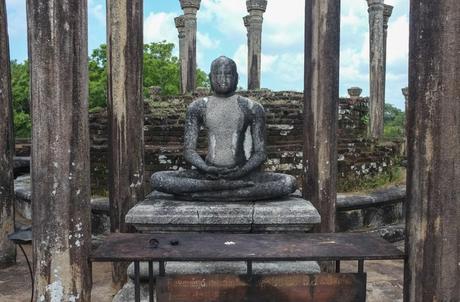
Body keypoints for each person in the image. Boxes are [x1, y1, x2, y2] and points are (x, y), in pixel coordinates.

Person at [151, 56, 297, 201]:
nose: (222, 79)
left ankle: (205, 192)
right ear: (210, 77)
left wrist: (240, 172)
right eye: (217, 74)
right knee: (158, 179)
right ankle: (224, 189)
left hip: (242, 173)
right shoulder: (197, 107)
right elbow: (189, 151)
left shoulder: (251, 107)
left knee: (288, 183)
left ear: (236, 78)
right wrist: (206, 168)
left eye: (228, 74)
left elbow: (260, 153)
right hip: (208, 175)